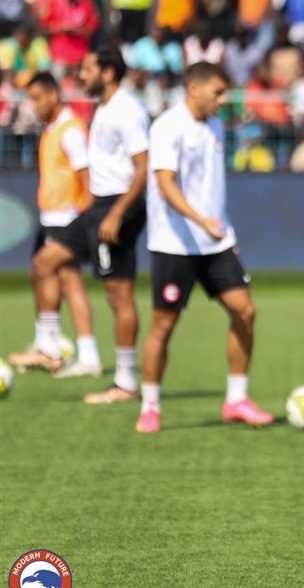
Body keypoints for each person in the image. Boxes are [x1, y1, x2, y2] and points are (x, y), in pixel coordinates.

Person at [135, 62, 274, 433]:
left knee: (245, 311)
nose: (223, 99)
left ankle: (236, 399)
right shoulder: (167, 126)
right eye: (217, 92)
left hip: (216, 241)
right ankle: (150, 406)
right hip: (174, 243)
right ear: (194, 89)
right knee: (163, 326)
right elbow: (165, 184)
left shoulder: (214, 124)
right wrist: (200, 220)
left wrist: (217, 226)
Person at [68, 47, 150, 403]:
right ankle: (58, 344)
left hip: (118, 204)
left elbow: (143, 167)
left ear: (109, 72)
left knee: (119, 292)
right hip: (99, 205)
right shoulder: (103, 107)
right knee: (50, 259)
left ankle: (125, 382)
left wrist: (117, 213)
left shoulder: (127, 110)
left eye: (88, 69)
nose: (81, 75)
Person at [7, 72, 100, 376]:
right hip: (51, 216)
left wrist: (87, 220)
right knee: (62, 279)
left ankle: (50, 346)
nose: (33, 105)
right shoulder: (51, 129)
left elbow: (86, 178)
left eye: (37, 98)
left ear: (54, 95)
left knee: (48, 269)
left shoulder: (71, 131)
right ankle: (76, 351)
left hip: (69, 217)